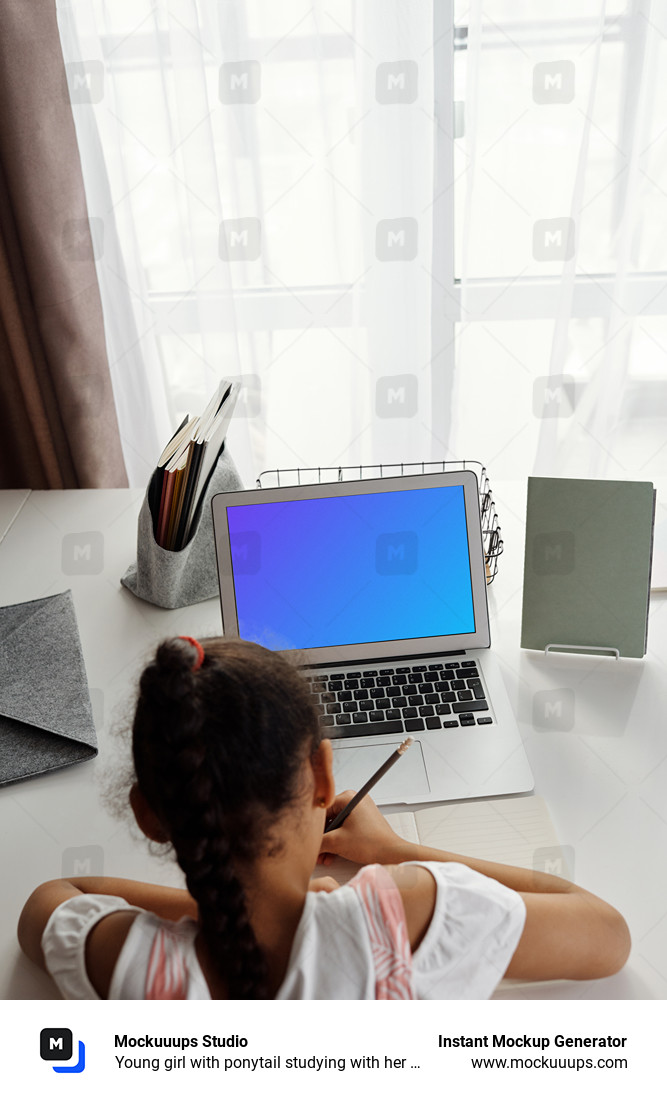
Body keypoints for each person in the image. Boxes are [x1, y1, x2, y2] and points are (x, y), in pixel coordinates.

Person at [18, 636, 630, 999]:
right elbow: (606, 936)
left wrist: (226, 906)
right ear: (324, 778)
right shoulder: (405, 914)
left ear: (150, 816)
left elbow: (50, 899)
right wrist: (393, 853)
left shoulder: (128, 964)